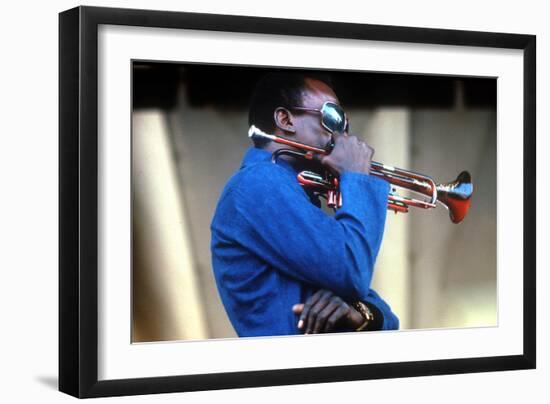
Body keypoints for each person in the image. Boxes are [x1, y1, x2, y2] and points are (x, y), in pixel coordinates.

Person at [210, 72, 399, 337]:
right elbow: (351, 270)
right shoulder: (259, 183)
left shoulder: (290, 187)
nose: (342, 133)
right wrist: (356, 178)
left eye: (344, 122)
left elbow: (385, 315)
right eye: (332, 117)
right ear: (285, 120)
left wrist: (360, 312)